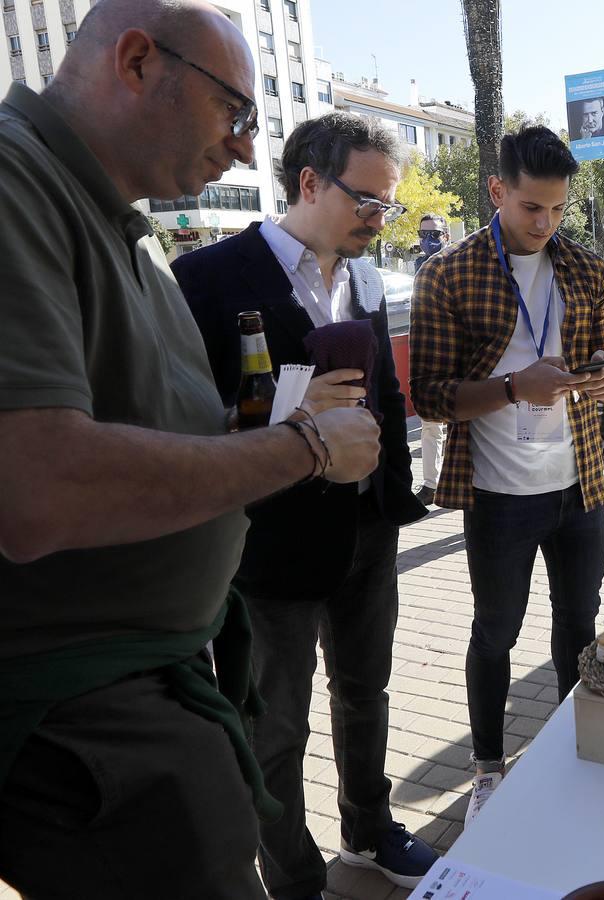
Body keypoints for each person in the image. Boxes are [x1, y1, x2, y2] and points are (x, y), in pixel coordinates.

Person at [0, 2, 380, 896]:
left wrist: (270, 428)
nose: (246, 150)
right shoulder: (17, 182)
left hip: (145, 688)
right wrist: (302, 446)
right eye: (236, 114)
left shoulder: (116, 220)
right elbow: (35, 487)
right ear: (136, 61)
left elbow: (158, 423)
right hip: (87, 712)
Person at [174, 112, 437, 896]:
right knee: (275, 728)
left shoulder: (361, 276)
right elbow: (180, 420)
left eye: (387, 206)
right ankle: (293, 878)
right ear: (309, 182)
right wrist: (292, 415)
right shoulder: (209, 279)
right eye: (367, 200)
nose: (377, 219)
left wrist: (394, 500)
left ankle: (369, 829)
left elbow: (384, 397)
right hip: (267, 548)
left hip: (365, 532)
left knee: (367, 694)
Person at [409, 126, 604, 823]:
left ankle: (574, 746)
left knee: (579, 624)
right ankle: (485, 770)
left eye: (559, 209)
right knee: (495, 633)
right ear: (497, 190)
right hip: (499, 495)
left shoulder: (587, 269)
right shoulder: (448, 273)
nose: (546, 223)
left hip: (581, 487)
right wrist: (513, 389)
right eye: (532, 207)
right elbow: (430, 396)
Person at [414, 212, 452, 505]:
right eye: (425, 234)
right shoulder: (417, 269)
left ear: (447, 236)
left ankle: (459, 480)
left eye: (436, 234)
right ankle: (431, 483)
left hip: (457, 358)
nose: (430, 240)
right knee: (430, 423)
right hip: (428, 359)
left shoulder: (459, 266)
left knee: (461, 423)